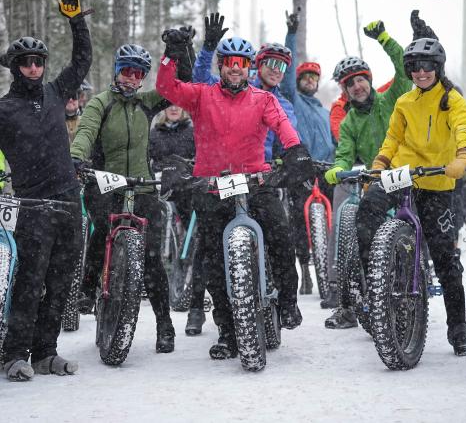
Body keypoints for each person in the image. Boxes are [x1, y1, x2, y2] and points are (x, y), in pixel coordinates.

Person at [158, 29, 313, 360]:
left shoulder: (263, 99)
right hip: (212, 187)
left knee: (282, 238)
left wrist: (296, 151)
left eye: (241, 63)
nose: (234, 68)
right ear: (222, 65)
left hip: (255, 183)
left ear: (248, 67)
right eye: (228, 62)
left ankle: (287, 302)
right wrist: (171, 54)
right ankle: (228, 332)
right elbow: (166, 88)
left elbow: (284, 129)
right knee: (214, 262)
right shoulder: (202, 95)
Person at [357, 36, 466, 356]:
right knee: (367, 208)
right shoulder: (404, 102)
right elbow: (392, 139)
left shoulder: (452, 100)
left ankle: (458, 327)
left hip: (438, 180)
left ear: (437, 68)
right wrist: (378, 168)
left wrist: (462, 158)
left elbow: (464, 130)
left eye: (427, 67)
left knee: (445, 257)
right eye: (414, 68)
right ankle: (377, 282)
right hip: (403, 174)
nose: (421, 73)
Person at [0, 0, 91, 381]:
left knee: (59, 283)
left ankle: (46, 353)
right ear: (15, 68)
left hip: (68, 201)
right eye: (26, 62)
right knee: (30, 281)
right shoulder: (3, 109)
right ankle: (14, 354)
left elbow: (82, 61)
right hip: (32, 206)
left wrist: (75, 22)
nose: (34, 67)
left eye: (38, 61)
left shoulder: (56, 93)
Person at [71, 43, 177, 354]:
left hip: (142, 188)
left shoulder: (146, 103)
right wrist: (77, 158)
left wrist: (176, 53)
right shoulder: (100, 104)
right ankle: (89, 288)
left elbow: (175, 87)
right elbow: (86, 132)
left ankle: (164, 325)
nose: (132, 78)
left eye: (138, 73)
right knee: (101, 229)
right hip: (106, 185)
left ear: (143, 77)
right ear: (117, 71)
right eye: (127, 71)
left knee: (152, 257)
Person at [323, 19, 413, 328]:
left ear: (369, 81)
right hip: (375, 181)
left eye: (361, 80)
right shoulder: (349, 122)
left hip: (405, 174)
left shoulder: (390, 99)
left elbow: (404, 69)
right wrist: (337, 170)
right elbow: (344, 153)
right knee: (361, 228)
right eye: (350, 84)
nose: (357, 87)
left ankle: (414, 284)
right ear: (345, 91)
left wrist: (385, 39)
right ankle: (369, 288)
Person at [279, 10, 335, 299]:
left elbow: (336, 141)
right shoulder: (293, 100)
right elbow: (287, 75)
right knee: (299, 223)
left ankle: (330, 270)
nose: (310, 81)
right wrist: (291, 34)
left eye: (315, 78)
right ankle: (305, 272)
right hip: (301, 169)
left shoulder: (325, 112)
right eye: (306, 77)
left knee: (331, 221)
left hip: (327, 170)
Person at [192, 12, 298, 162]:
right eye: (272, 63)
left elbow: (289, 138)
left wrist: (292, 158)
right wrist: (208, 49)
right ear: (259, 65)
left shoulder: (284, 105)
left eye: (281, 65)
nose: (276, 70)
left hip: (260, 174)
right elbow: (201, 80)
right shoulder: (234, 86)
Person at [149, 104, 206, 335]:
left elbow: (199, 157)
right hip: (161, 186)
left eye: (178, 105)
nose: (174, 108)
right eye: (169, 105)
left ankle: (187, 259)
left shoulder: (191, 132)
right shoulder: (154, 133)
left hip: (185, 186)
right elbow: (149, 158)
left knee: (193, 219)